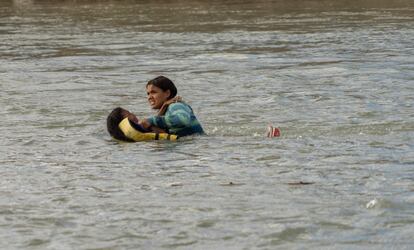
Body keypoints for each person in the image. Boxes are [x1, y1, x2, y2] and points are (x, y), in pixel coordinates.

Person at [138, 76, 205, 137]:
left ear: (167, 93)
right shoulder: (166, 109)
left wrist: (151, 120)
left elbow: (182, 120)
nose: (149, 97)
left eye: (153, 92)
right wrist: (164, 106)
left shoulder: (175, 105)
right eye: (148, 93)